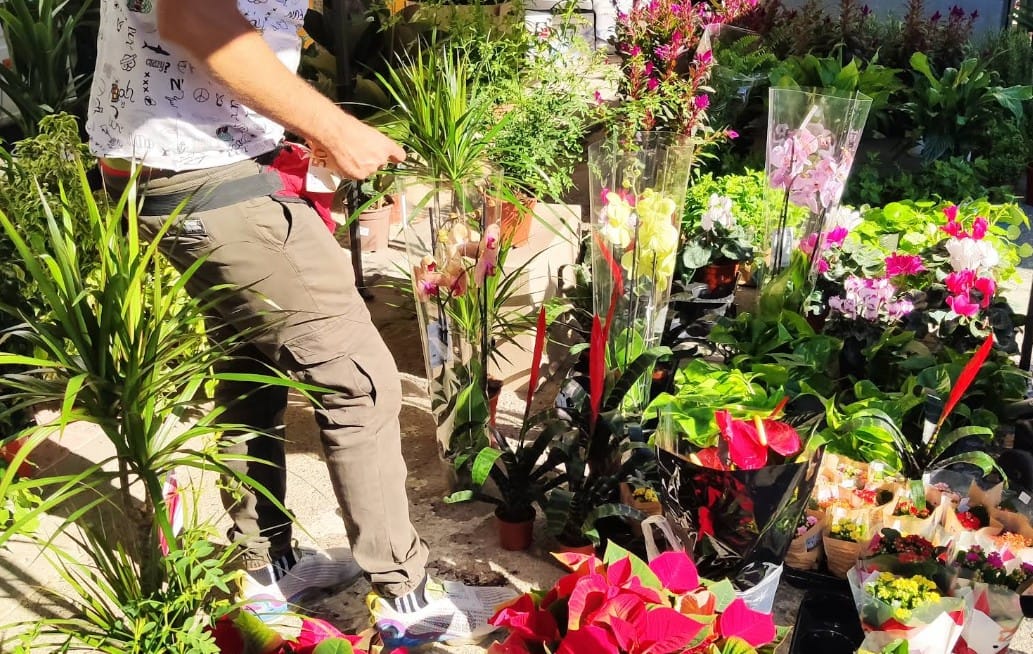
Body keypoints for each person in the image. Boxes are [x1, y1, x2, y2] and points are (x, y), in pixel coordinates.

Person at [84, 0, 516, 647]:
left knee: (250, 360)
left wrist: (288, 115)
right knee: (359, 380)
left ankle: (266, 570)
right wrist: (332, 126)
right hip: (205, 169)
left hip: (168, 163)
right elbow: (191, 15)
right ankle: (408, 603)